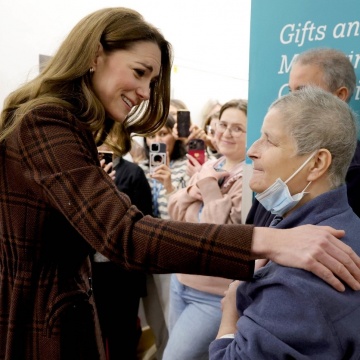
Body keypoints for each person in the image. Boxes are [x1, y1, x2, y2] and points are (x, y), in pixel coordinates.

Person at [0, 8, 360, 360]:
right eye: (140, 72)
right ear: (96, 54)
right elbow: (125, 234)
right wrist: (271, 242)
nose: (144, 91)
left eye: (152, 81)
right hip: (37, 318)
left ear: (318, 163)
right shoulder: (45, 123)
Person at [210, 86, 360, 359]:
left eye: (269, 140)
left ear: (316, 164)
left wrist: (231, 311)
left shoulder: (302, 280)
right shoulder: (333, 223)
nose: (252, 151)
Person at [164, 99, 248, 360]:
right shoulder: (212, 165)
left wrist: (208, 187)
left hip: (214, 295)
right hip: (180, 281)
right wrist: (197, 187)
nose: (225, 132)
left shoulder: (250, 177)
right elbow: (174, 210)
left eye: (237, 128)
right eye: (223, 124)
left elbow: (223, 237)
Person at [246, 47, 360, 226]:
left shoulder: (354, 175)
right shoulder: (274, 186)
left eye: (303, 92)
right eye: (291, 91)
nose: (251, 152)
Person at [92, 147, 153, 360]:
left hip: (123, 271)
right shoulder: (84, 172)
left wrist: (108, 191)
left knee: (123, 335)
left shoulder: (133, 173)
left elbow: (143, 224)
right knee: (94, 333)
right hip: (91, 270)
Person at [139, 113, 189, 358]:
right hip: (145, 249)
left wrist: (169, 186)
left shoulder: (186, 164)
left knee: (173, 310)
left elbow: (186, 215)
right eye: (151, 135)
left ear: (174, 136)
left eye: (163, 134)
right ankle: (161, 351)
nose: (156, 140)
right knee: (153, 311)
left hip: (172, 249)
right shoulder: (139, 168)